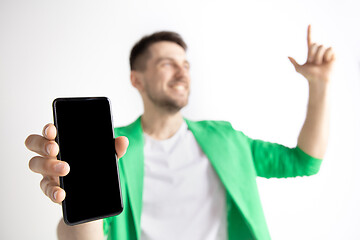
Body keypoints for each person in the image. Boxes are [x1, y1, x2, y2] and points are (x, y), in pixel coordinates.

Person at [25, 25, 335, 240]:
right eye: (166, 64)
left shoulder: (226, 139)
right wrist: (73, 193)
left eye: (185, 64)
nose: (182, 71)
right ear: (137, 80)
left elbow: (304, 161)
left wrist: (319, 85)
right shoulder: (111, 148)